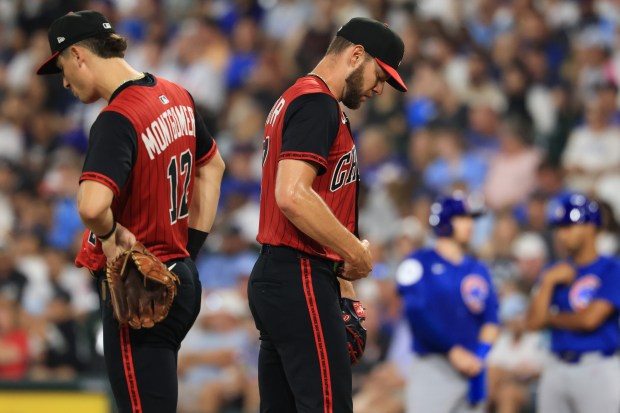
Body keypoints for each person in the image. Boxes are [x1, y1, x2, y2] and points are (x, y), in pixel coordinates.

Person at [36, 10, 225, 413]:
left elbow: (91, 206)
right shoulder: (176, 93)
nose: (64, 81)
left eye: (62, 67)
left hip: (142, 288)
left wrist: (108, 236)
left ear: (78, 55)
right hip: (180, 277)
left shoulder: (116, 118)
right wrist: (190, 249)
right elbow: (213, 166)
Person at [248, 17, 407, 413]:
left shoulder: (298, 97)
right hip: (299, 274)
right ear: (356, 55)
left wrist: (341, 282)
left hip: (283, 274)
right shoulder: (317, 103)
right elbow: (292, 195)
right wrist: (353, 251)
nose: (380, 87)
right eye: (380, 74)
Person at [396, 193, 499, 413]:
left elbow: (492, 320)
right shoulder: (418, 262)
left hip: (473, 369)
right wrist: (453, 351)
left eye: (471, 218)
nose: (470, 224)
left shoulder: (478, 269)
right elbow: (416, 314)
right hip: (434, 367)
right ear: (443, 221)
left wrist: (478, 356)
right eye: (462, 217)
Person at [526, 193, 620, 413]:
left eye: (569, 226)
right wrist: (548, 282)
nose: (561, 234)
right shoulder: (554, 271)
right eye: (560, 228)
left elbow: (590, 319)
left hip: (596, 366)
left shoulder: (611, 269)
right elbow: (532, 323)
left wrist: (550, 318)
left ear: (590, 227)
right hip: (556, 365)